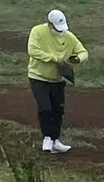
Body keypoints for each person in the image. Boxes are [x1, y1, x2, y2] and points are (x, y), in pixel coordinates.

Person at [27, 9, 88, 154]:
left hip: (57, 80)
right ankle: (47, 138)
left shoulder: (69, 36)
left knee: (58, 110)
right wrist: (53, 58)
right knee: (45, 107)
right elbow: (32, 50)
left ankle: (56, 140)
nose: (59, 31)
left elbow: (83, 52)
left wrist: (78, 59)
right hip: (38, 77)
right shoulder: (37, 31)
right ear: (49, 24)